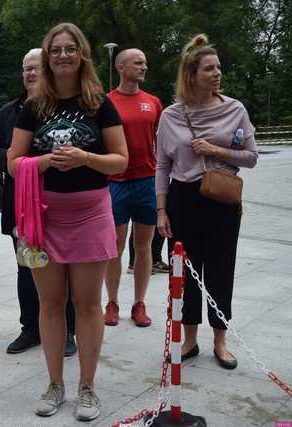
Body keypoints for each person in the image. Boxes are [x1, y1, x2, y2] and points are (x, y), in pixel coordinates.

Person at [8, 23, 127, 421]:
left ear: (82, 54)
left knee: (89, 306)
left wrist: (85, 158)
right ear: (46, 57)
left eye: (69, 49)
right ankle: (55, 383)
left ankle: (87, 388)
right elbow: (12, 163)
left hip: (91, 214)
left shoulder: (99, 103)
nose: (62, 55)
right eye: (55, 49)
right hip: (43, 217)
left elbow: (121, 160)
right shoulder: (33, 106)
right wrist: (44, 162)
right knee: (51, 304)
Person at [156, 34, 258, 370]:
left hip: (222, 198)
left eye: (219, 68)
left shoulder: (235, 109)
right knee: (186, 272)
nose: (217, 74)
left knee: (220, 269)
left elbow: (251, 157)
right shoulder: (171, 116)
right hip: (183, 199)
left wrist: (216, 150)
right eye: (209, 68)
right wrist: (161, 210)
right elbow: (162, 166)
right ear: (191, 74)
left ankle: (220, 340)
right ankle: (189, 339)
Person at [0, 48, 76, 356]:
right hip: (21, 201)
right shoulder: (10, 111)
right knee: (26, 266)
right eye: (25, 68)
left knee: (63, 269)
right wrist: (22, 160)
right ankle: (31, 328)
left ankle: (67, 330)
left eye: (35, 68)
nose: (29, 73)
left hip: (57, 202)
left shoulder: (62, 109)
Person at [104, 48, 163, 328]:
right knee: (114, 247)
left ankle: (139, 303)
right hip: (116, 183)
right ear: (120, 67)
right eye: (138, 62)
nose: (143, 66)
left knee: (144, 246)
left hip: (146, 182)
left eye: (145, 62)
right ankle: (112, 302)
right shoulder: (105, 102)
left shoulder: (152, 102)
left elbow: (161, 142)